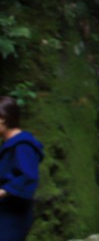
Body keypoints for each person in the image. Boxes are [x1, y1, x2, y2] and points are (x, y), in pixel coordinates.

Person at [0, 96, 44, 241]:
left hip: (13, 216)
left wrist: (3, 191)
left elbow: (28, 176)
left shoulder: (23, 145)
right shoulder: (10, 145)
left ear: (3, 119)